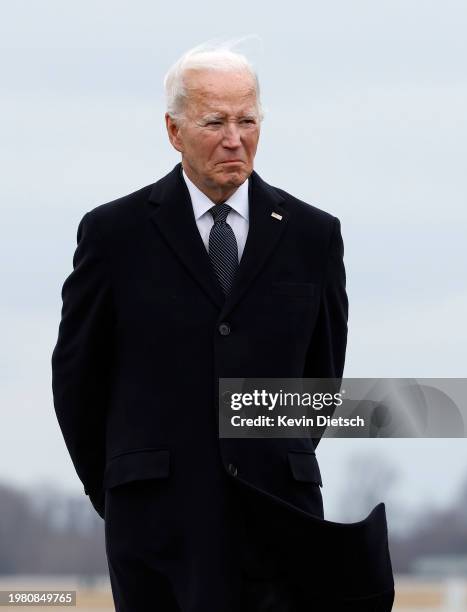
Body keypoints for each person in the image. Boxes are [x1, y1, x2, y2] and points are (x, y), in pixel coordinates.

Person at [52, 42, 394, 612]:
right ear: (173, 129)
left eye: (247, 120)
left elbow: (321, 380)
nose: (234, 138)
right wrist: (120, 485)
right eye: (214, 121)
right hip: (156, 529)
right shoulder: (114, 236)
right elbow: (77, 380)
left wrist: (266, 456)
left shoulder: (314, 236)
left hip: (280, 521)